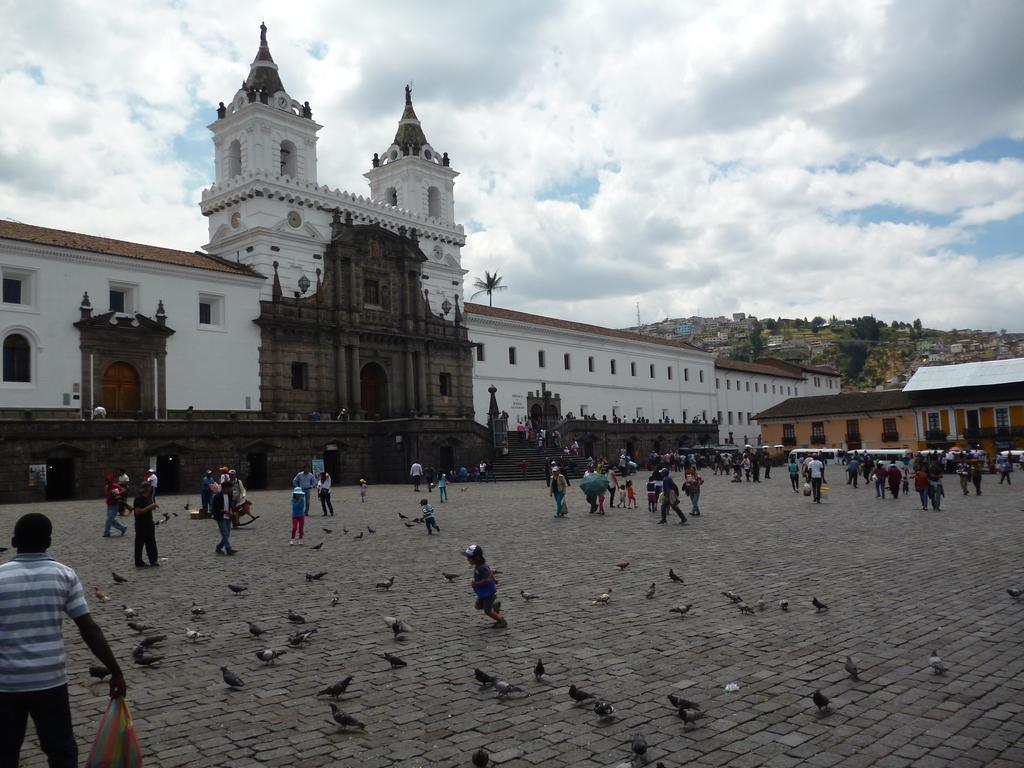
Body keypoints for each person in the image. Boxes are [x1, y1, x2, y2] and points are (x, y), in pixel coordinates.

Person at [0, 513, 126, 768]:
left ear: (14, 541)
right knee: (62, 751)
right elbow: (89, 628)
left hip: (6, 683)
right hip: (50, 682)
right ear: (48, 541)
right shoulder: (64, 575)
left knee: (4, 752)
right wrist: (116, 671)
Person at [463, 544, 506, 628]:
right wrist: (494, 579)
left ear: (477, 558)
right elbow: (490, 573)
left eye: (469, 557)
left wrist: (476, 583)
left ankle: (501, 621)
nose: (467, 559)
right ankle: (494, 605)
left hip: (488, 592)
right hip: (483, 592)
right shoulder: (480, 566)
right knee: (478, 606)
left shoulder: (481, 567)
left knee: (487, 611)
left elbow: (487, 579)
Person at [132, 482, 159, 567]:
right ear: (147, 488)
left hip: (149, 522)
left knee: (151, 542)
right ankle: (139, 562)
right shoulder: (139, 499)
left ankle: (153, 560)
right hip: (141, 523)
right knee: (139, 543)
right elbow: (137, 511)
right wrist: (150, 507)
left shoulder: (148, 498)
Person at [211, 480, 236, 555]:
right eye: (230, 488)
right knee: (225, 533)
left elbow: (230, 505)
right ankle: (228, 549)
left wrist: (231, 512)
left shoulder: (229, 495)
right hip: (220, 517)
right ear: (225, 488)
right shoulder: (217, 496)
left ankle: (219, 546)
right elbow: (215, 508)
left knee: (227, 534)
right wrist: (225, 512)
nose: (231, 489)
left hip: (228, 517)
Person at [102, 472, 128, 538]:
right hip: (109, 506)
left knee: (108, 520)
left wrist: (118, 493)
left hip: (114, 506)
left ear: (112, 480)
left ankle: (106, 533)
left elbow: (124, 490)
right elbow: (107, 495)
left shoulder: (115, 486)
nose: (107, 481)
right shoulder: (106, 487)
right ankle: (123, 528)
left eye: (108, 480)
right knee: (112, 520)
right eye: (106, 480)